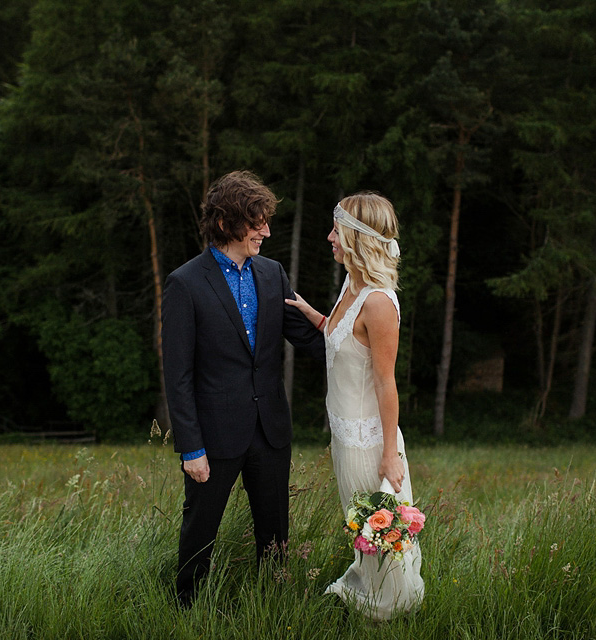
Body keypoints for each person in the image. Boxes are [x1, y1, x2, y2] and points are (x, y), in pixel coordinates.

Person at [161, 170, 325, 608]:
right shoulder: (185, 283)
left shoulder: (272, 274)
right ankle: (186, 611)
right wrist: (190, 447)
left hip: (270, 430)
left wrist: (358, 342)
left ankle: (273, 608)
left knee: (276, 534)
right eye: (256, 223)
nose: (266, 232)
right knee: (201, 531)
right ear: (224, 223)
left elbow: (309, 341)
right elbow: (177, 375)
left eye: (266, 222)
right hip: (213, 438)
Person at [285, 192, 424, 620]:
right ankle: (367, 595)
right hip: (345, 437)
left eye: (336, 231)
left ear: (357, 238)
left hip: (370, 444)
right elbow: (343, 339)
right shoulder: (351, 284)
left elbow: (385, 383)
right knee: (360, 532)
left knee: (378, 531)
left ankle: (388, 611)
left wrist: (388, 456)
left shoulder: (379, 303)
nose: (329, 237)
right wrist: (308, 311)